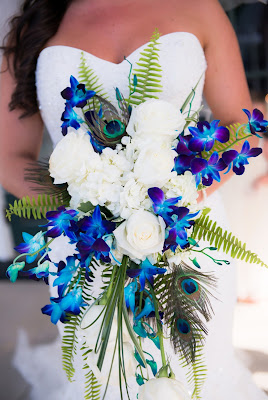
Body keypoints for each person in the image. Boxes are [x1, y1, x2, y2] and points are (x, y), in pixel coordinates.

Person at [0, 0, 266, 399]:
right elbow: (9, 155)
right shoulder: (34, 26)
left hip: (187, 233)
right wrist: (93, 204)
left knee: (196, 376)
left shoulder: (200, 7)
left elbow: (240, 125)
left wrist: (178, 191)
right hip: (83, 245)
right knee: (101, 379)